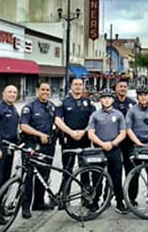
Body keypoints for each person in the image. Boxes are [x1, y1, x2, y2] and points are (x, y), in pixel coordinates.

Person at [54, 77, 96, 209]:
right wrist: (71, 132)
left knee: (85, 170)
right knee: (67, 170)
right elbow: (57, 120)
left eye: (80, 84)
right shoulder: (63, 103)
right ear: (71, 86)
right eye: (75, 84)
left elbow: (93, 120)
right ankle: (64, 198)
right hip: (68, 140)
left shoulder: (88, 103)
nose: (78, 86)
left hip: (84, 140)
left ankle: (86, 198)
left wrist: (84, 131)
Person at [87, 89, 129, 214]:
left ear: (113, 100)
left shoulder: (119, 115)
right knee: (96, 177)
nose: (106, 100)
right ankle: (95, 202)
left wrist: (112, 143)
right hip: (99, 149)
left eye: (109, 98)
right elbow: (90, 133)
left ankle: (119, 202)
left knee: (116, 177)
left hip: (114, 149)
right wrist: (102, 144)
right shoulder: (95, 115)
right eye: (104, 98)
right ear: (100, 100)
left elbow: (123, 133)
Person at [19, 82, 57, 219]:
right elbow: (23, 126)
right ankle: (25, 207)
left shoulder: (52, 106)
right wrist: (40, 134)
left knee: (43, 175)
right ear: (37, 91)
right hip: (32, 145)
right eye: (43, 89)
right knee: (28, 177)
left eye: (47, 90)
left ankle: (39, 202)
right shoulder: (29, 107)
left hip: (48, 146)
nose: (45, 92)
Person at [111, 79, 137, 201]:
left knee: (132, 170)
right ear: (116, 88)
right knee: (115, 171)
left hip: (129, 142)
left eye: (125, 87)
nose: (123, 88)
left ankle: (131, 199)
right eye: (120, 86)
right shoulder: (110, 103)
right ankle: (118, 199)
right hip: (115, 142)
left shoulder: (133, 104)